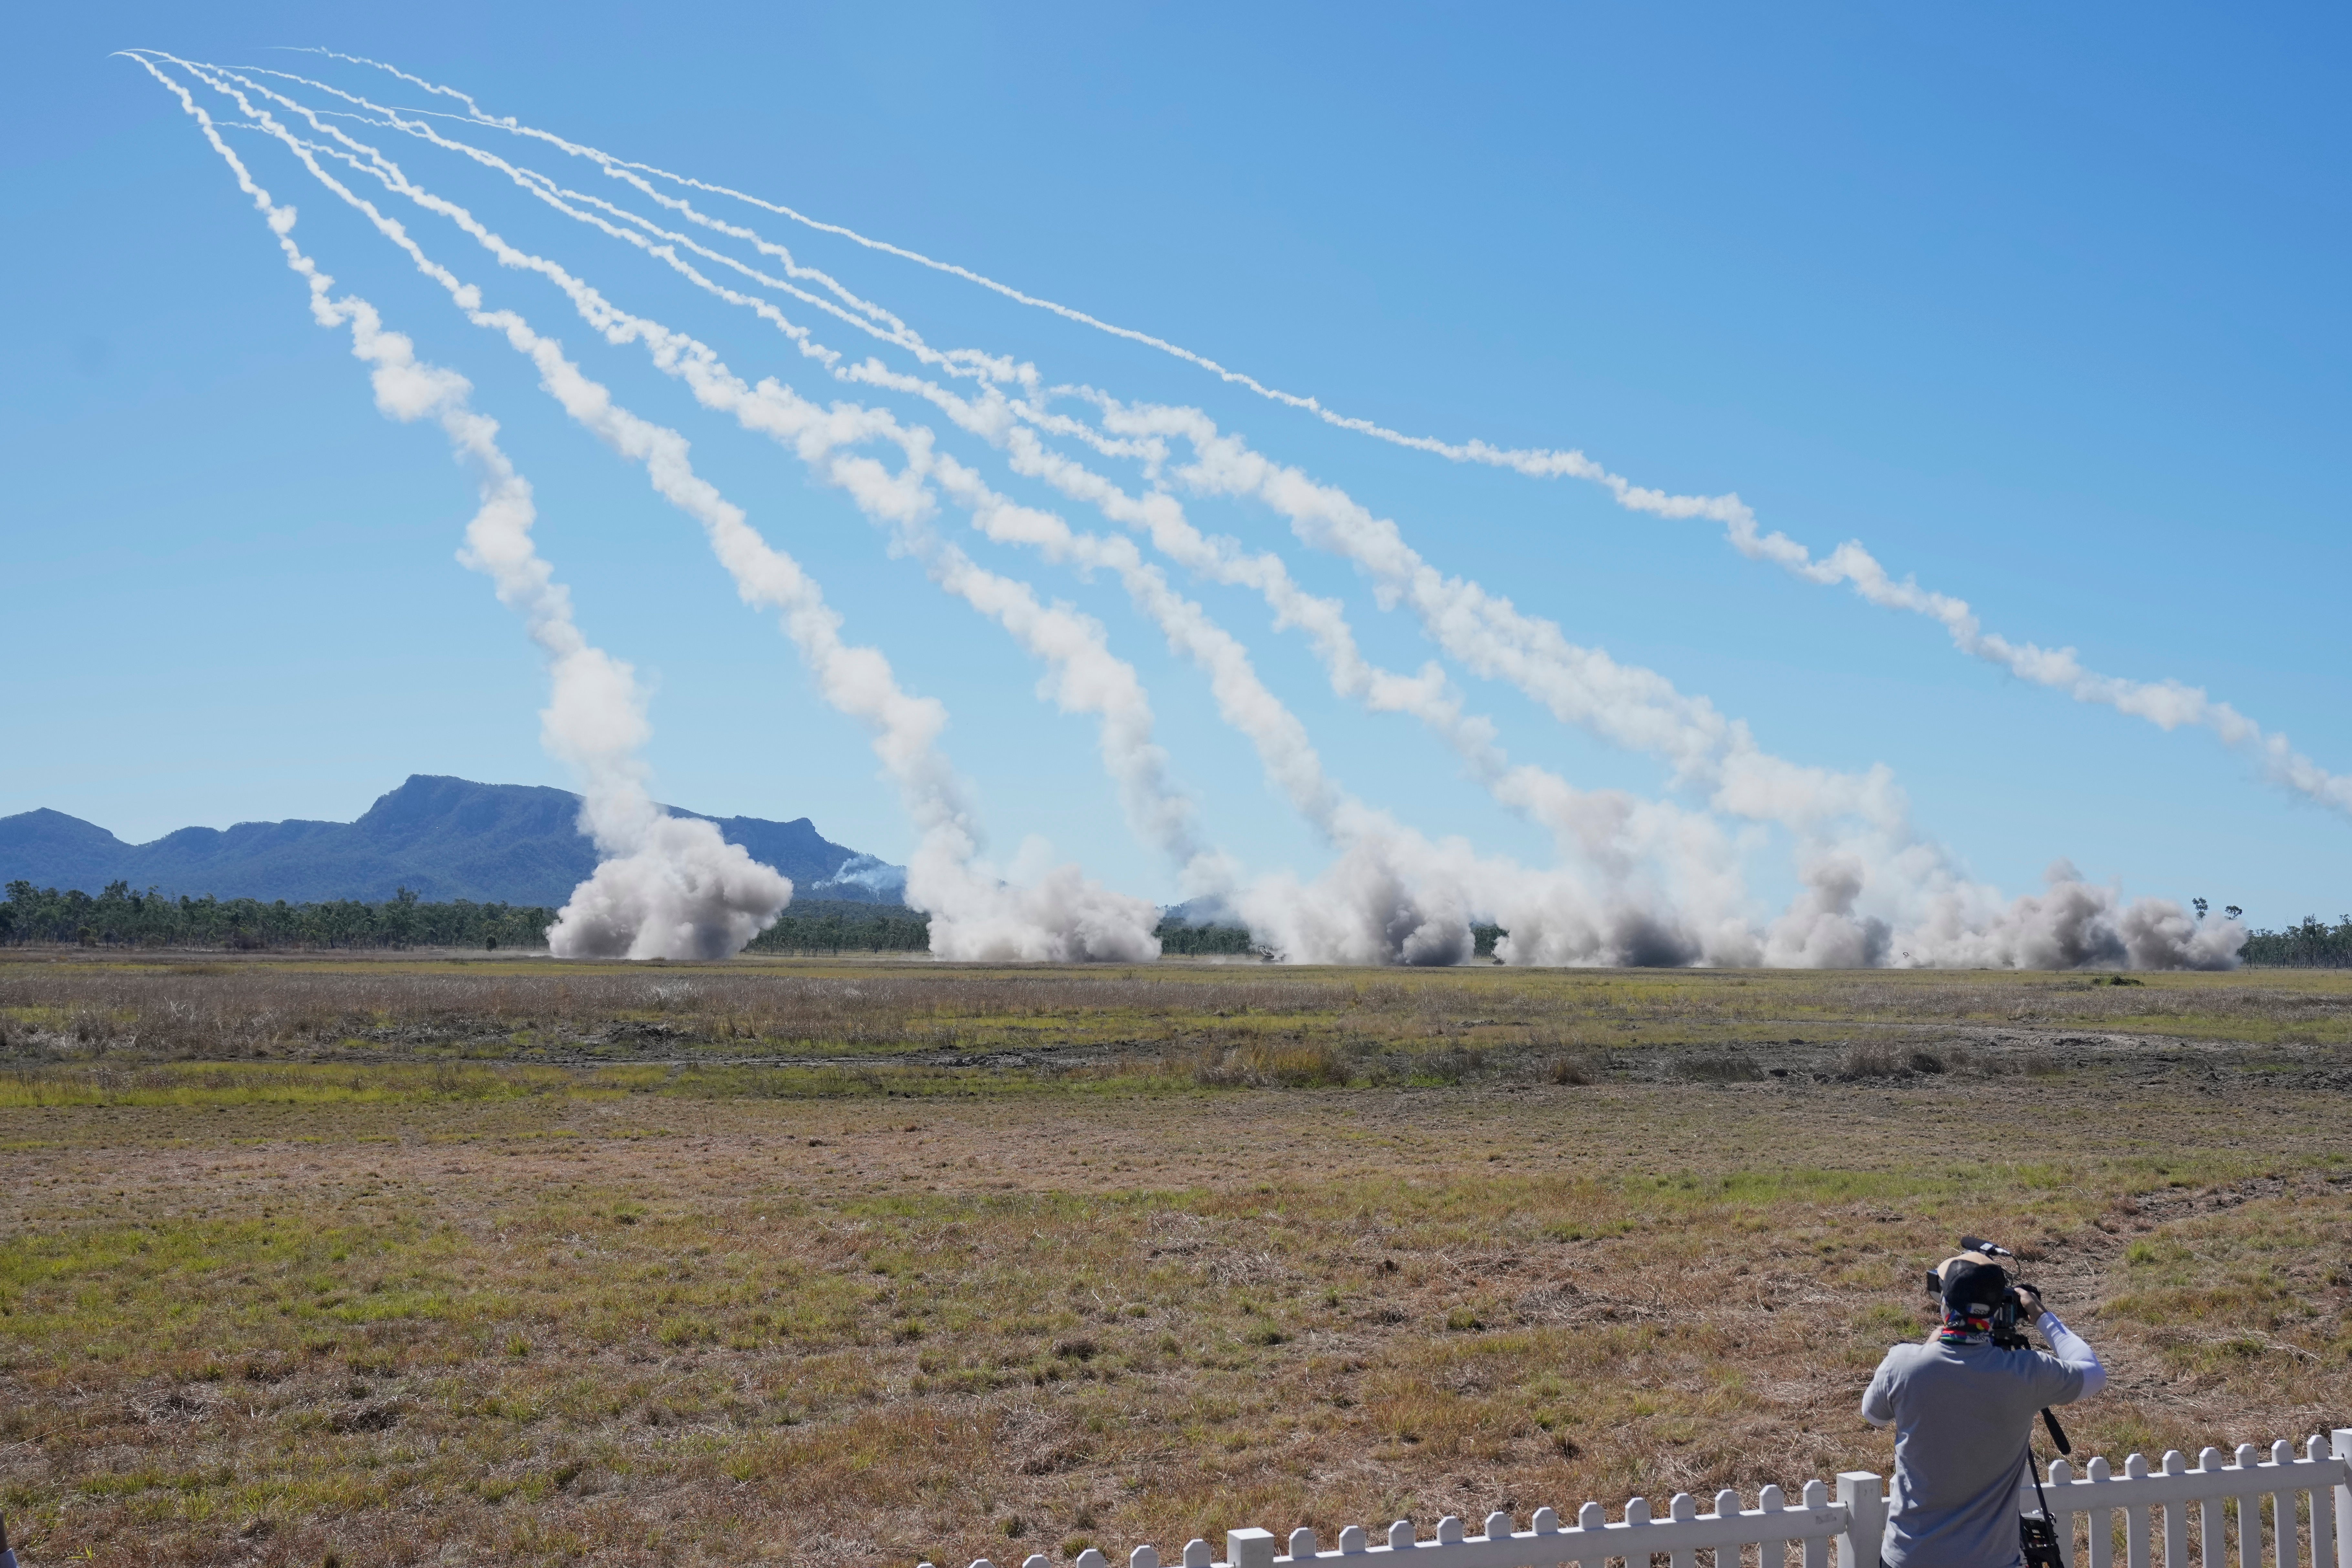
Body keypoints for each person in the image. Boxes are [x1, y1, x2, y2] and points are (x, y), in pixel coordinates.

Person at [1861, 1250, 2106, 1568]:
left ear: (1945, 1306)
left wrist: (1933, 1345)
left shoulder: (1903, 1364)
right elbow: (2094, 1374)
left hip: (1911, 1557)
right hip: (1992, 1560)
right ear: (1997, 1310)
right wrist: (2041, 1314)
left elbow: (1873, 1415)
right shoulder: (2025, 1373)